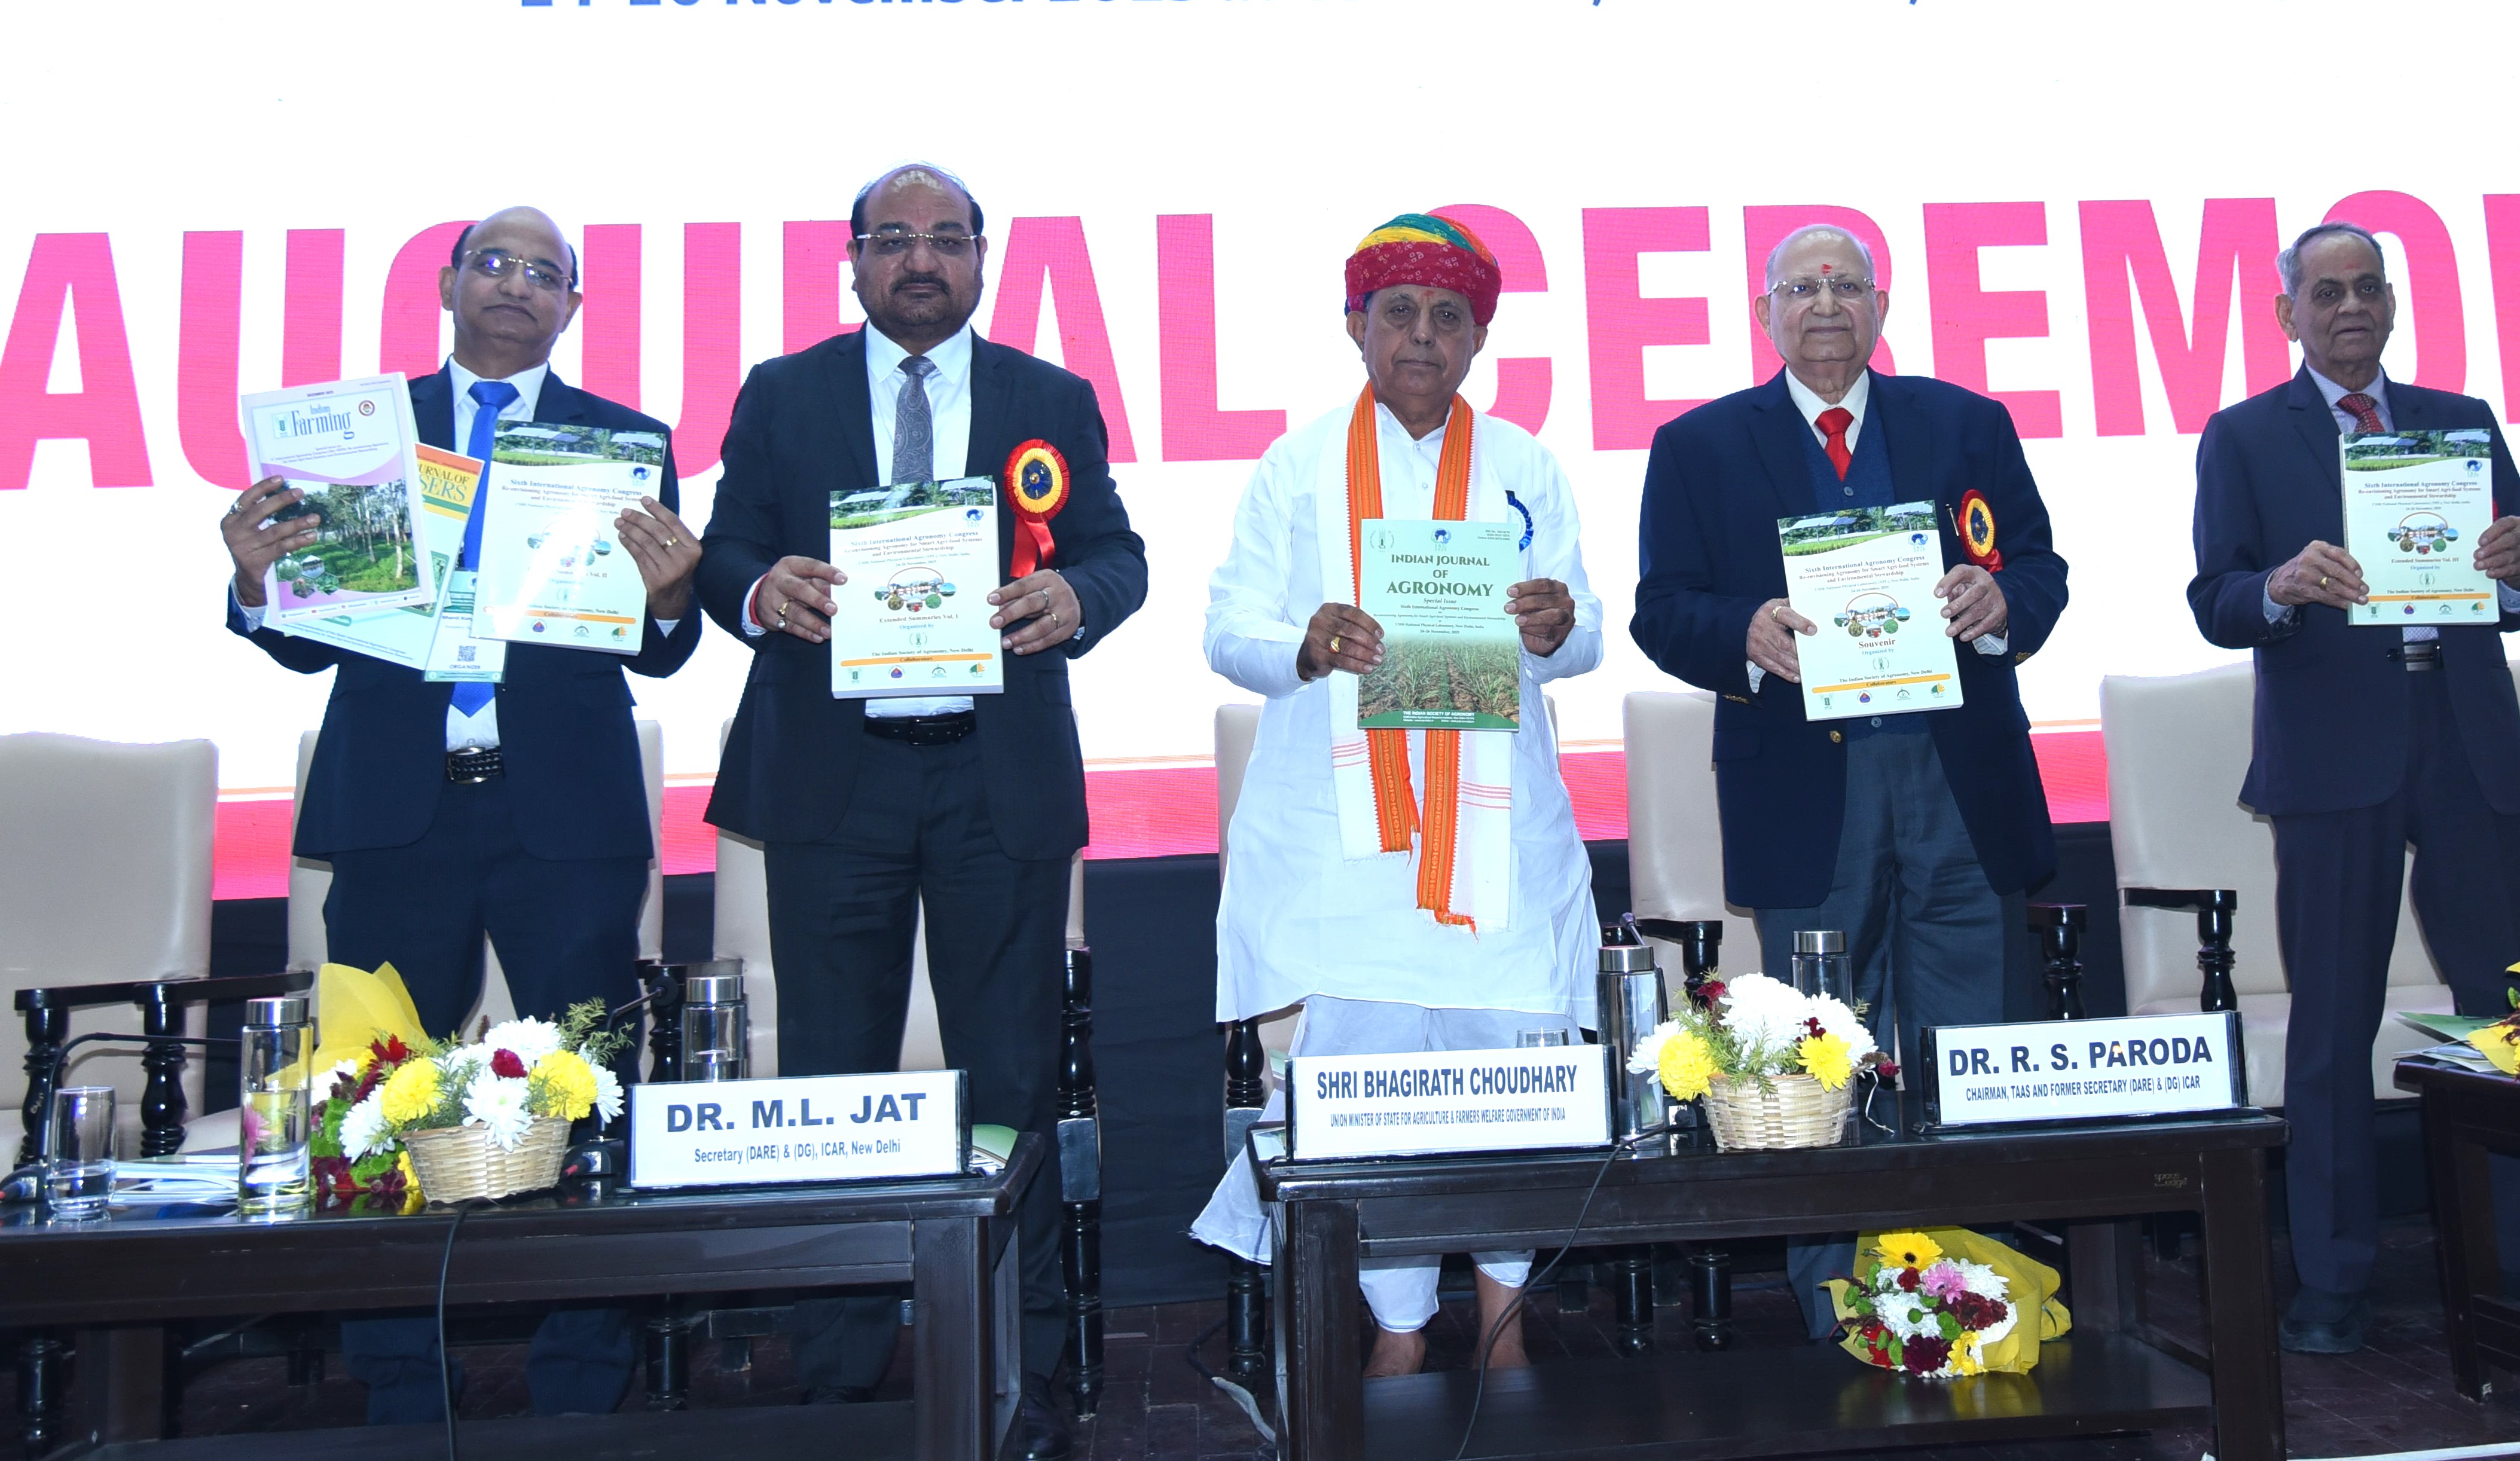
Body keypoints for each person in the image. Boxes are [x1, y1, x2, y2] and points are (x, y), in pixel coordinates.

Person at [222, 206, 702, 1420]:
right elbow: (304, 636)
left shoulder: (624, 441)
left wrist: (668, 598)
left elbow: (658, 646)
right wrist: (255, 580)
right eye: (494, 262)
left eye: (544, 272)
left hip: (565, 820)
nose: (515, 284)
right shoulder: (361, 438)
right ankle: (397, 1382)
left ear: (572, 306)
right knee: (374, 1099)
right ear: (446, 282)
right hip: (398, 813)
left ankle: (582, 1385)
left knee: (587, 1096)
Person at [697, 163, 1147, 1456]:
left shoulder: (1048, 397)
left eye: (947, 238)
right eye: (893, 238)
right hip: (832, 779)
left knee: (1010, 1079)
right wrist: (758, 588)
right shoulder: (781, 392)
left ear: (982, 259)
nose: (920, 259)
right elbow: (722, 551)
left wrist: (1078, 597)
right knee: (831, 1077)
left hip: (993, 778)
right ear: (851, 259)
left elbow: (1116, 554)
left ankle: (1021, 1355)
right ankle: (840, 1367)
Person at [1186, 213, 1602, 1374]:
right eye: (1399, 312)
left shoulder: (1523, 463)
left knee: (1511, 1065)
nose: (1422, 334)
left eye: (1447, 315)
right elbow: (1228, 629)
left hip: (1495, 831)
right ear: (1354, 326)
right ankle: (1400, 1326)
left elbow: (1582, 633)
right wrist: (1305, 640)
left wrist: (1557, 626)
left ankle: (1506, 1318)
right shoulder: (1296, 464)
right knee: (1367, 1082)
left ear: (1479, 338)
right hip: (1350, 838)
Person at [1633, 221, 2065, 1337]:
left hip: (1957, 778)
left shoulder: (1967, 424)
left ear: (1880, 306)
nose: (1825, 303)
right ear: (1765, 313)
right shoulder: (1698, 446)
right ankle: (1839, 1306)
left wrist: (2003, 601)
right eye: (1802, 287)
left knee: (1969, 1043)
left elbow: (2040, 567)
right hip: (1804, 789)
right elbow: (1661, 608)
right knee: (1820, 1050)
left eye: (1846, 285)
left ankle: (1973, 1294)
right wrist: (1743, 629)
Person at [2186, 222, 2520, 1353]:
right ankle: (2334, 1277)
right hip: (2333, 752)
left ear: (2392, 303)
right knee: (2332, 1019)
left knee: (2509, 1010)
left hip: (2466, 740)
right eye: (2326, 292)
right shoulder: (2245, 434)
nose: (2350, 307)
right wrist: (2281, 585)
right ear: (2287, 313)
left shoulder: (2463, 419)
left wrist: (2518, 571)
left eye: (2368, 288)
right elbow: (2215, 599)